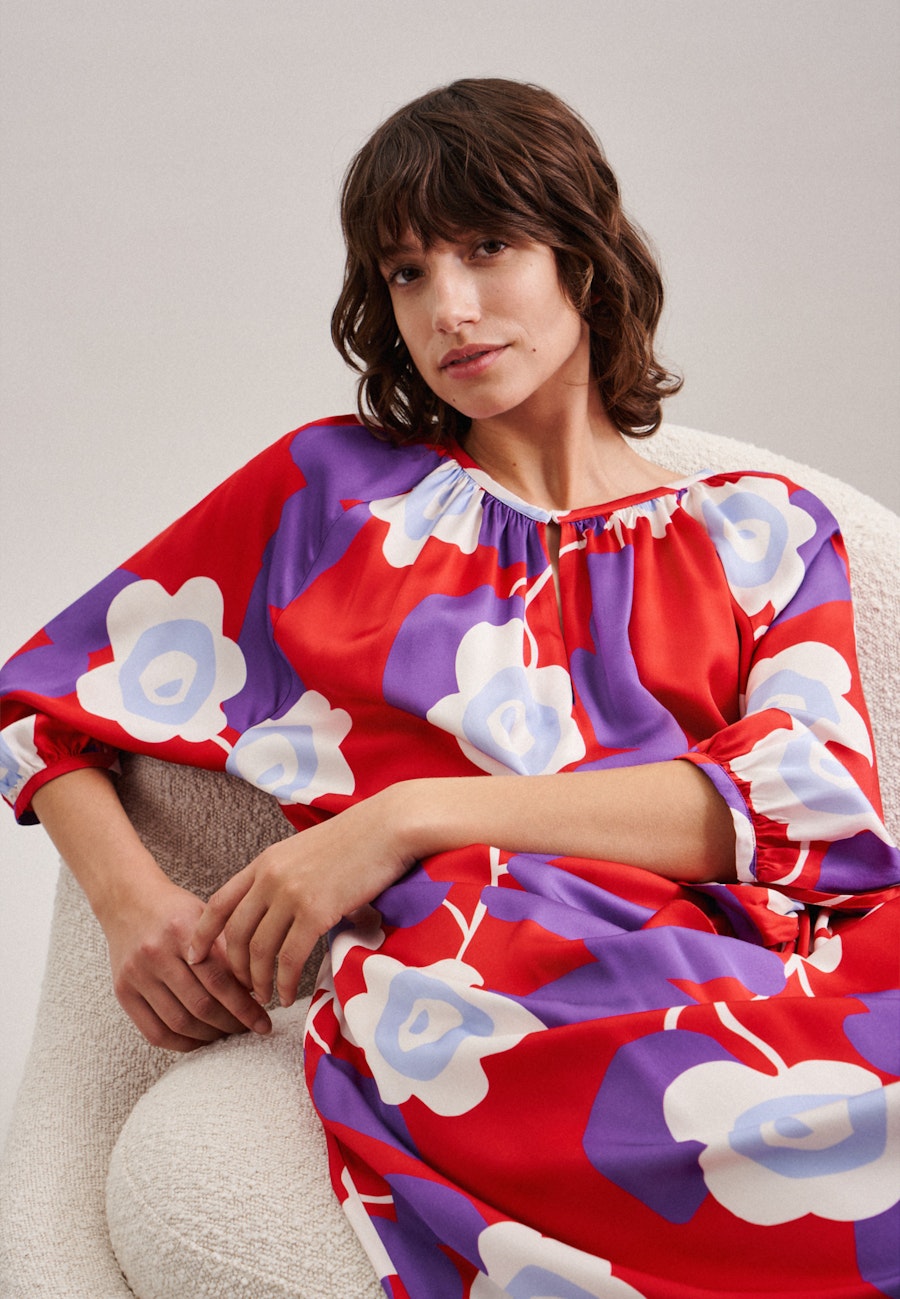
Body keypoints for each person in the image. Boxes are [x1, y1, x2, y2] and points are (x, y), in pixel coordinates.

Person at [1, 77, 898, 1298]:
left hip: (771, 970)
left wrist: (405, 818)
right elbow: (36, 702)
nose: (449, 309)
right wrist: (132, 908)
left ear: (582, 257)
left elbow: (811, 805)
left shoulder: (762, 529)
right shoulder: (331, 496)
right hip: (495, 1005)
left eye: (487, 249)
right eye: (407, 272)